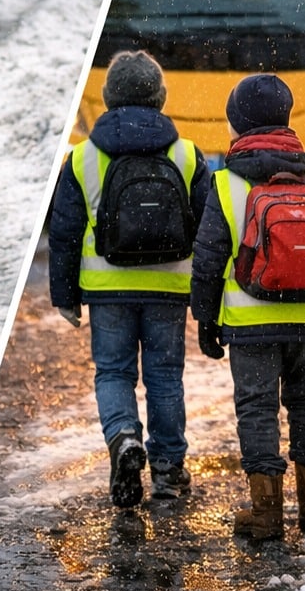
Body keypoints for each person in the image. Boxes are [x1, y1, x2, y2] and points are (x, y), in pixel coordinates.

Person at [190, 73, 305, 540]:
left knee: (257, 408)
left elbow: (207, 261)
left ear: (236, 124)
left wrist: (205, 320)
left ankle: (266, 512)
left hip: (251, 323)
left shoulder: (227, 183)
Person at [47, 50, 211, 506]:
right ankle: (167, 469)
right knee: (164, 376)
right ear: (160, 97)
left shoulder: (83, 158)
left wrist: (64, 295)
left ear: (108, 98)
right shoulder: (187, 155)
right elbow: (207, 225)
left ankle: (123, 437)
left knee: (114, 372)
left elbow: (63, 231)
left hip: (107, 288)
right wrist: (207, 291)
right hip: (169, 287)